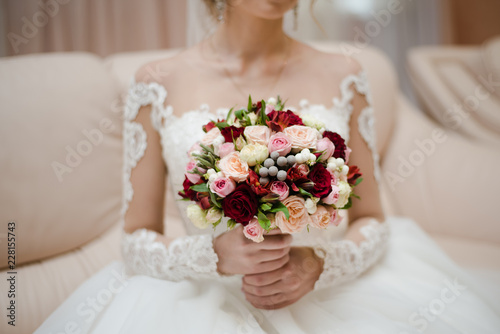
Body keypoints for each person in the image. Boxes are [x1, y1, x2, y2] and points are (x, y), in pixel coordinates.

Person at [36, 1, 500, 333]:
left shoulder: (345, 75)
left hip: (328, 293)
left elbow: (373, 218)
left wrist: (319, 263)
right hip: (203, 297)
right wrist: (212, 257)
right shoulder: (157, 82)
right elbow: (135, 238)